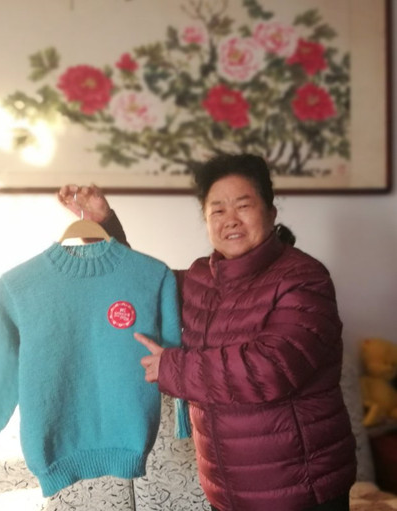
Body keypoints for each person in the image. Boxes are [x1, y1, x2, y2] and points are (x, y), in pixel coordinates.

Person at [58, 153, 357, 511]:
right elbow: (141, 287)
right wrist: (101, 225)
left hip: (300, 489)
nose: (230, 219)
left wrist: (171, 367)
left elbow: (270, 369)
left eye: (243, 206)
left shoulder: (304, 278)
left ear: (271, 212)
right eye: (217, 210)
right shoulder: (202, 277)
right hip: (227, 489)